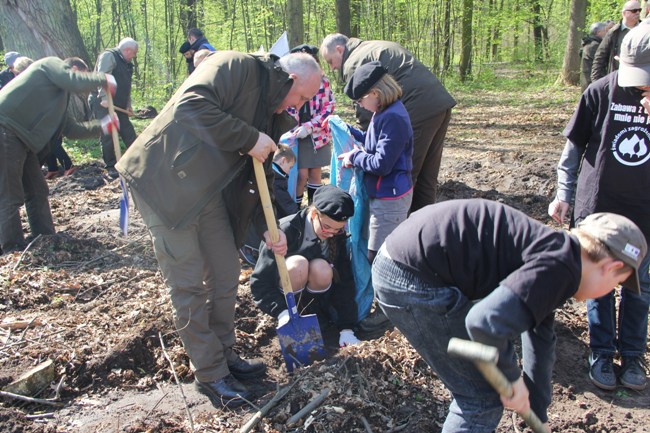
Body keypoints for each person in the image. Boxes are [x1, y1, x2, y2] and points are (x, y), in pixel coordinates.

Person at [115, 51, 322, 408]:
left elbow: (258, 178)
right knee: (189, 282)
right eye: (301, 97)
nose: (300, 107)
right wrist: (248, 137)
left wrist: (270, 227)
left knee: (226, 270)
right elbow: (190, 107)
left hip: (205, 190)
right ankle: (210, 374)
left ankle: (225, 355)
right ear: (288, 78)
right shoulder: (234, 67)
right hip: (162, 181)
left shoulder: (274, 112)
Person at [373, 198, 647, 433]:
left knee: (483, 390)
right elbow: (483, 323)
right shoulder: (559, 265)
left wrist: (537, 414)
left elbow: (539, 338)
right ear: (611, 267)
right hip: (410, 278)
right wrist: (511, 380)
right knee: (481, 399)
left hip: (406, 264)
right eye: (617, 285)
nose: (608, 293)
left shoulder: (561, 258)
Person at [548, 23, 650, 391]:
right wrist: (564, 192)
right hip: (599, 210)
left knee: (640, 287)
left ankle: (634, 355)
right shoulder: (600, 92)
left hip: (644, 213)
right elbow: (572, 150)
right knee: (601, 283)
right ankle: (602, 351)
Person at [320, 33, 456, 213]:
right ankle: (426, 225)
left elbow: (366, 115)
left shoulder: (354, 61)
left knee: (405, 176)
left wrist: (363, 151)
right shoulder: (374, 45)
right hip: (438, 103)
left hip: (416, 108)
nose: (334, 67)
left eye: (331, 61)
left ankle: (406, 229)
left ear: (339, 49)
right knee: (427, 176)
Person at [0, 56, 117, 254]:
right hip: (6, 129)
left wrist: (104, 125)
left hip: (23, 141)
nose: (82, 83)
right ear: (71, 68)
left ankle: (44, 238)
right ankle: (12, 248)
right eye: (81, 75)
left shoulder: (61, 98)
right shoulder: (50, 65)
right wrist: (103, 78)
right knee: (10, 193)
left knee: (38, 190)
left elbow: (71, 129)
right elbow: (73, 80)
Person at [250, 184, 361, 347]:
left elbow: (344, 282)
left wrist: (347, 328)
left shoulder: (337, 236)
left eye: (337, 230)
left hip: (317, 298)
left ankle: (315, 314)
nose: (331, 233)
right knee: (298, 264)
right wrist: (280, 312)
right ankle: (292, 316)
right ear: (314, 213)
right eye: (327, 227)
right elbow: (260, 282)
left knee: (322, 268)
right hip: (284, 301)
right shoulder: (285, 230)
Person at [338, 62, 413, 263]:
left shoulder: (393, 117)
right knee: (374, 252)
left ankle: (386, 294)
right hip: (381, 193)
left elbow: (382, 163)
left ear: (375, 93)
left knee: (381, 257)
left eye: (360, 100)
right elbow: (374, 143)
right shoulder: (382, 113)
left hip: (391, 196)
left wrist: (353, 157)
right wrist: (347, 131)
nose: (359, 105)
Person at [286, 44, 335, 207]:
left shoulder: (323, 82)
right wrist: (294, 127)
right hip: (295, 135)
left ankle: (314, 208)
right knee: (300, 176)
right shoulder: (289, 82)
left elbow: (328, 108)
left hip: (317, 135)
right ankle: (295, 209)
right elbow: (287, 107)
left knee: (315, 173)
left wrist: (310, 126)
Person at [239, 144, 298, 266]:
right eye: (290, 167)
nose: (290, 171)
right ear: (283, 161)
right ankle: (252, 250)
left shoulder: (270, 172)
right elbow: (285, 203)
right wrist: (297, 214)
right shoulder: (277, 179)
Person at [91, 37, 138, 178]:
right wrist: (105, 98)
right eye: (134, 53)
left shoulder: (127, 64)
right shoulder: (109, 56)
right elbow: (102, 77)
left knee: (128, 131)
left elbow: (126, 86)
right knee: (109, 134)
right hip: (102, 102)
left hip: (119, 104)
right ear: (127, 50)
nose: (135, 56)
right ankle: (111, 165)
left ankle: (137, 160)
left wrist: (128, 105)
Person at [591, 0, 641, 82]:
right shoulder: (613, 32)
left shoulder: (645, 30)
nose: (637, 13)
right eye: (634, 11)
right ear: (624, 13)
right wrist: (595, 82)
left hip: (641, 79)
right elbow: (600, 57)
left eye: (640, 10)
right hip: (618, 78)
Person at [581, 22, 608, 91]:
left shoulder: (592, 43)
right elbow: (601, 62)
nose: (606, 33)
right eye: (605, 31)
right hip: (591, 81)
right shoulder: (593, 45)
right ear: (598, 32)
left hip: (592, 81)